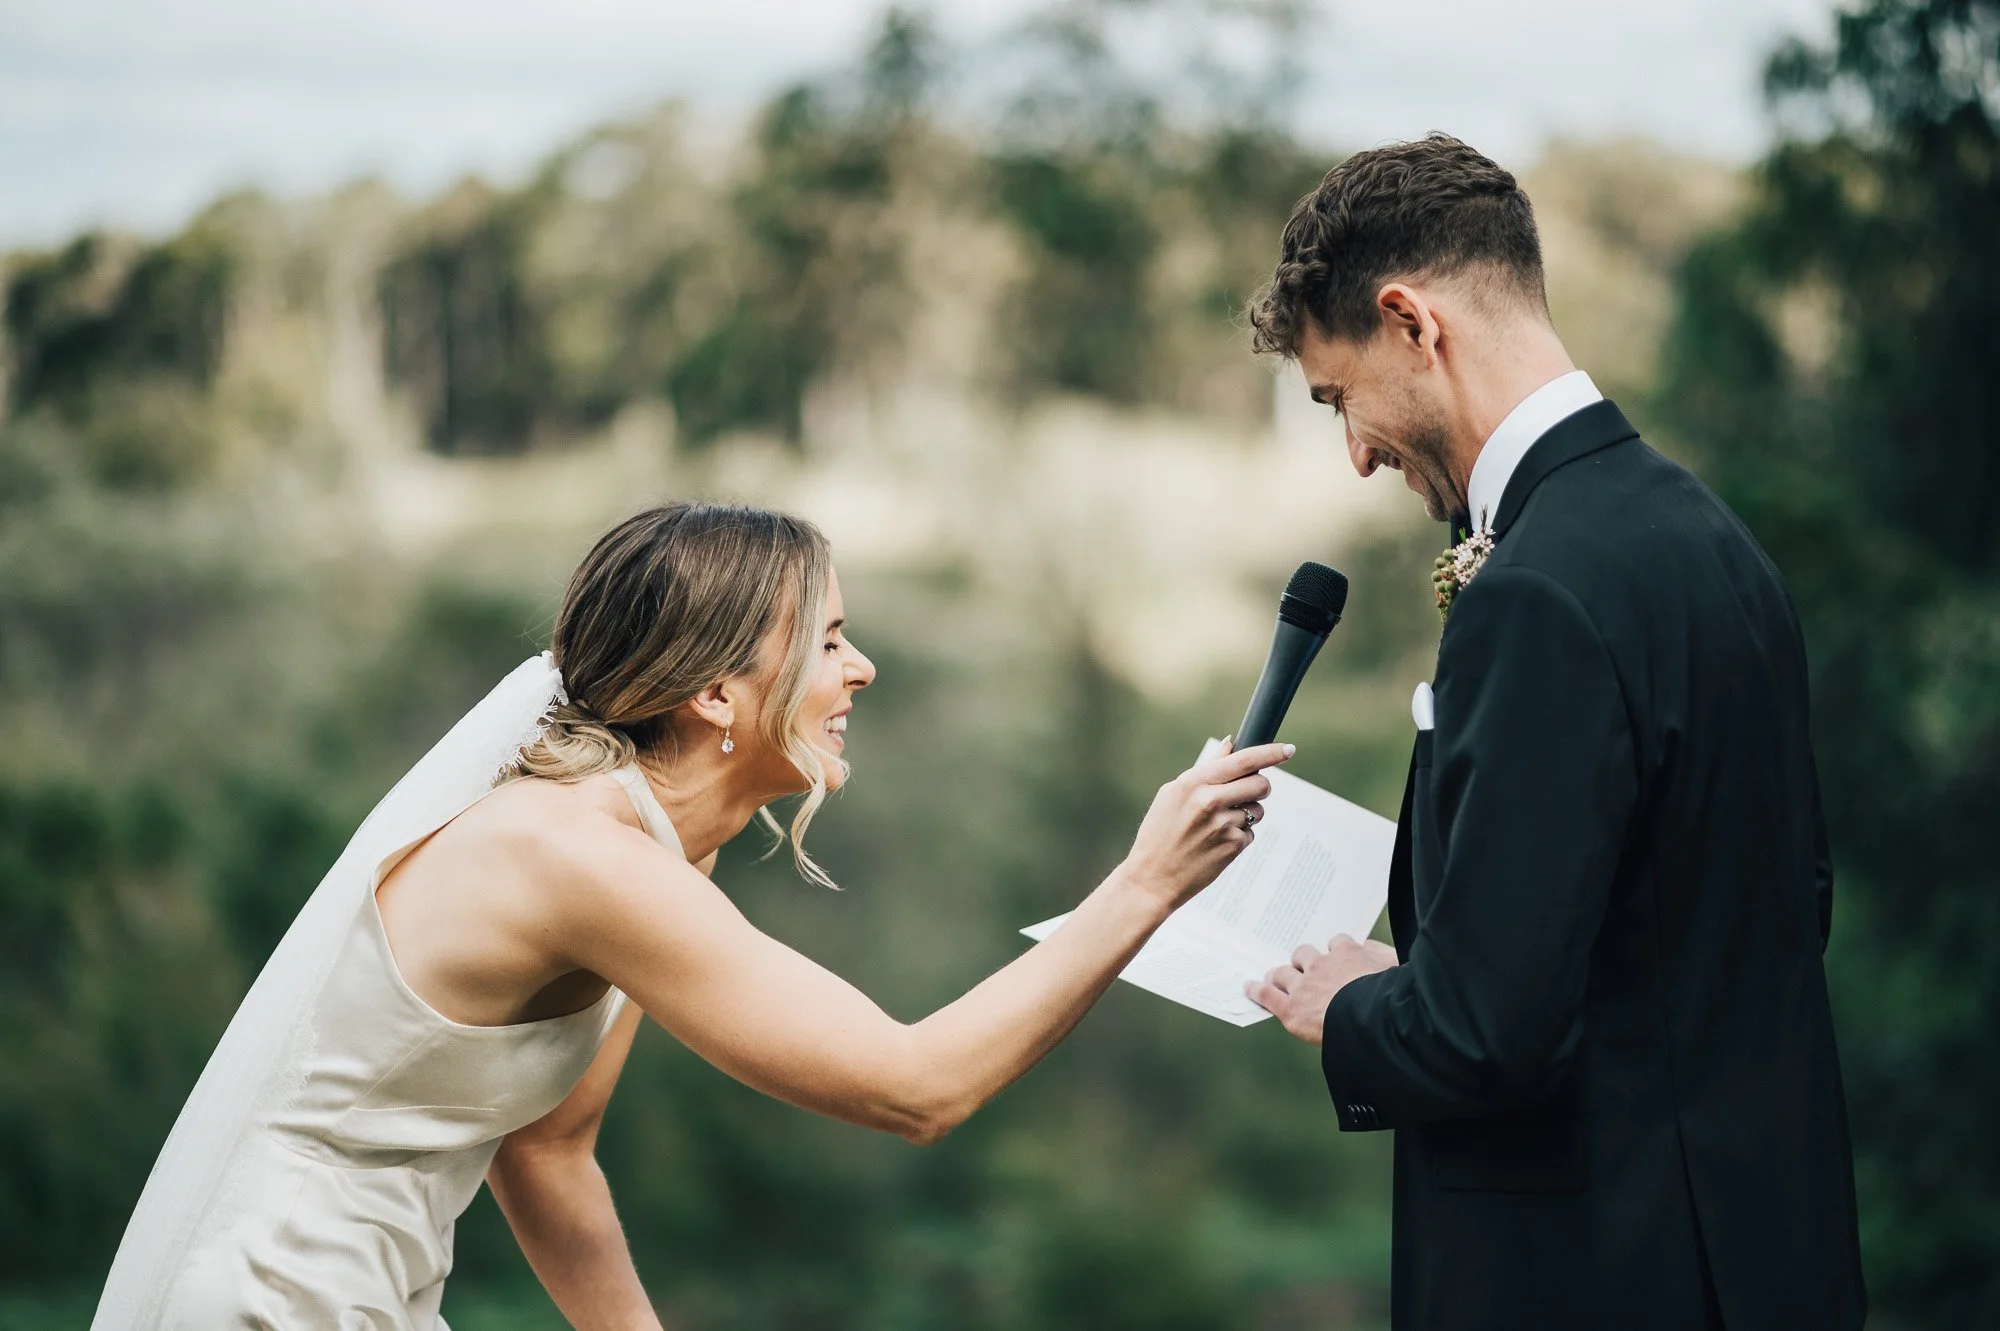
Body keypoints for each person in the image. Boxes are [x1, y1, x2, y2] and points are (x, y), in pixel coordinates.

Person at [94, 501, 1291, 1329]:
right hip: (269, 1289)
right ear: (717, 691)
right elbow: (913, 1086)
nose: (862, 667)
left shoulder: (651, 845)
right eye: (827, 639)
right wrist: (1143, 881)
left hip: (369, 1286)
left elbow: (549, 1145)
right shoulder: (571, 853)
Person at [1241, 135, 1866, 1330]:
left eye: (1338, 397)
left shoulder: (1531, 591)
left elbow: (1483, 1034)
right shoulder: (1707, 537)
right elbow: (1786, 905)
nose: (1357, 453)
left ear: (1410, 322)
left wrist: (1358, 1002)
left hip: (1596, 1272)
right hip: (1761, 1252)